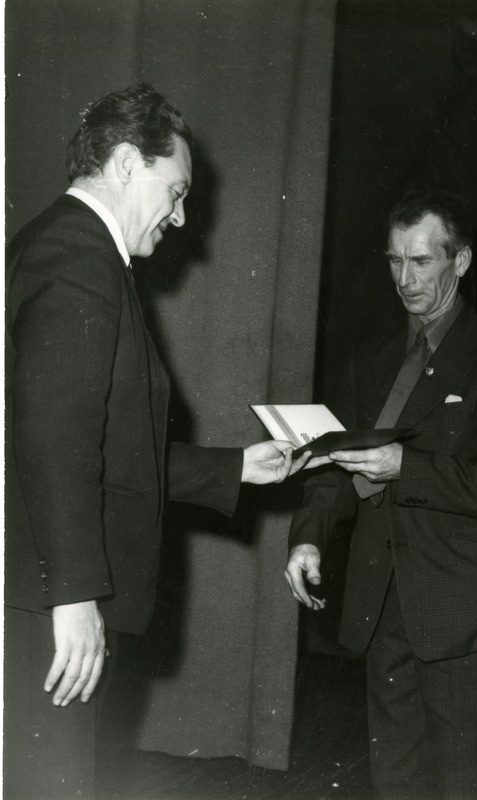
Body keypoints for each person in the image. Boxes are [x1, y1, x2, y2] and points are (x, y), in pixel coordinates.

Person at [4, 82, 311, 800]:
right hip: (52, 604)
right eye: (175, 192)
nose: (180, 217)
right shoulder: (78, 258)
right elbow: (54, 442)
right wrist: (75, 596)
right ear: (123, 164)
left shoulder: (72, 250)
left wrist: (236, 468)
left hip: (44, 594)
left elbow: (107, 451)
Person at [285, 187, 477, 800]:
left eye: (421, 261)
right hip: (381, 609)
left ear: (460, 261)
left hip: (461, 618)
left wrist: (404, 466)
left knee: (465, 789)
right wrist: (309, 538)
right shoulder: (371, 359)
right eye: (395, 260)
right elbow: (335, 461)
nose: (404, 278)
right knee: (395, 784)